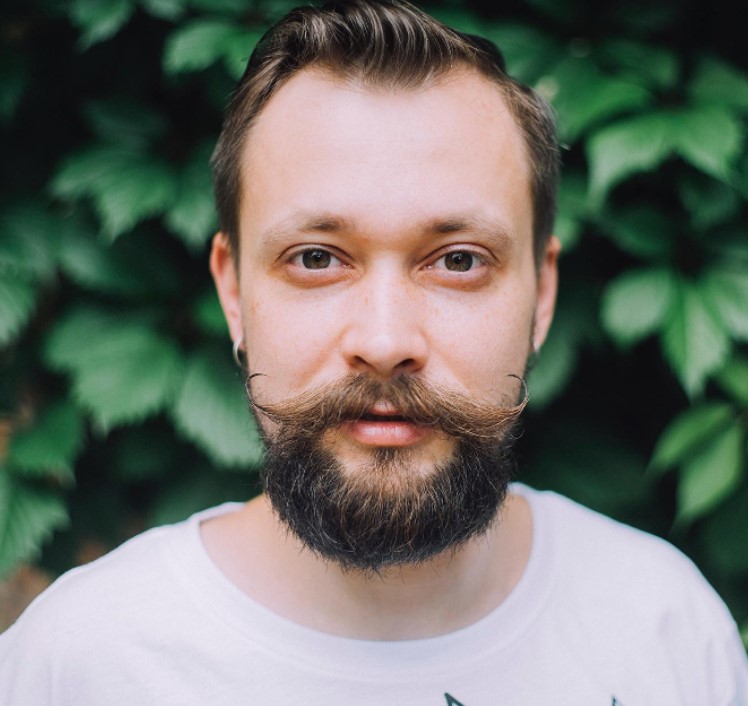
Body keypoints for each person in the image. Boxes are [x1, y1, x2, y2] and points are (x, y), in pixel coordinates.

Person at [1, 1, 747, 703]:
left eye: (459, 260)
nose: (385, 342)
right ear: (232, 292)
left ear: (542, 294)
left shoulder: (667, 628)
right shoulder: (80, 663)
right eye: (316, 259)